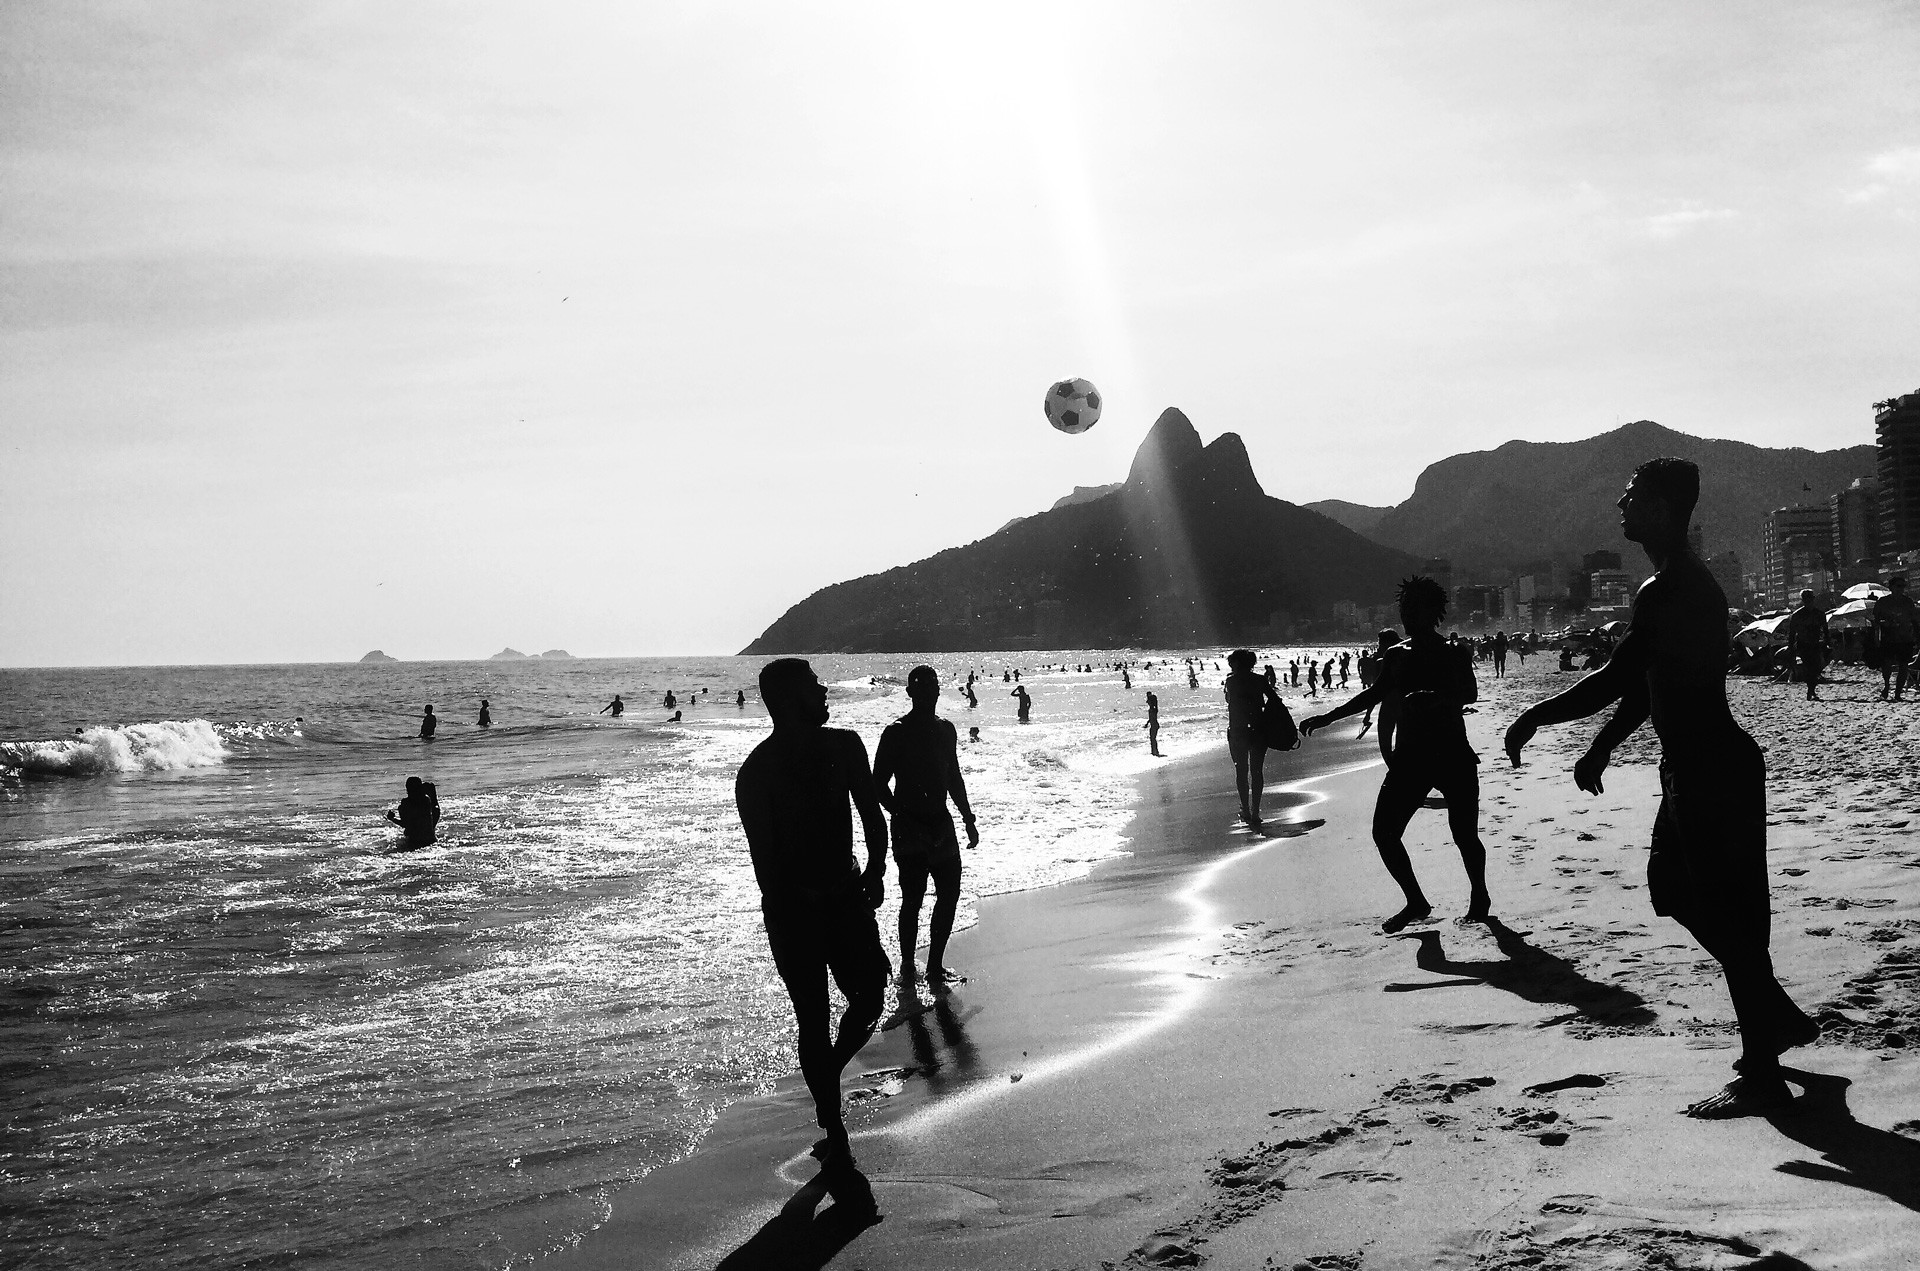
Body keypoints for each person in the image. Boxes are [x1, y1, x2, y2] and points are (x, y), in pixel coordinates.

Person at [1504, 458, 1816, 1119]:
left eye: (1634, 494)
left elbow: (1618, 677)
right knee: (1672, 890)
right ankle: (1776, 1013)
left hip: (1713, 771)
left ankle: (1762, 1069)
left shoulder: (1676, 588)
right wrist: (1602, 745)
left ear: (1666, 508)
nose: (1621, 500)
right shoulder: (1668, 585)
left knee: (1733, 917)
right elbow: (1650, 687)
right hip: (1691, 769)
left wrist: (1536, 715)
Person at [735, 658, 890, 1186]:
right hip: (792, 911)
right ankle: (832, 1123)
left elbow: (871, 814)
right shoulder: (757, 772)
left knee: (871, 996)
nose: (824, 690)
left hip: (848, 896)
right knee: (812, 1015)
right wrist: (806, 902)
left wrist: (874, 868)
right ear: (786, 700)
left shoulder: (845, 746)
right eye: (813, 686)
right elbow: (766, 867)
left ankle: (829, 1071)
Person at [1299, 578, 1490, 932]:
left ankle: (1480, 896)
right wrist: (1329, 717)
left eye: (1414, 609)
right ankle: (1416, 901)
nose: (1407, 616)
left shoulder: (1454, 653)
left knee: (1465, 836)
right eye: (1404, 610)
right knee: (1384, 833)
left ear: (1434, 612)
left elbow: (1470, 693)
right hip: (1411, 758)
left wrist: (1438, 698)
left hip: (1453, 754)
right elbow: (1373, 695)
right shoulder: (1397, 655)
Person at [873, 666, 980, 989]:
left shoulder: (945, 730)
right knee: (913, 897)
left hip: (941, 823)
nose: (927, 693)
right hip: (909, 829)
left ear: (937, 691)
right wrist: (901, 816)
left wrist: (968, 818)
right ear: (910, 693)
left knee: (949, 894)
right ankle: (908, 964)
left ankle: (934, 966)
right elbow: (878, 783)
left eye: (932, 687)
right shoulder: (896, 732)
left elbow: (953, 778)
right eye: (920, 688)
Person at [1223, 649, 1281, 828]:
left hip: (1238, 731)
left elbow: (1229, 700)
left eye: (1232, 662)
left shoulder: (1231, 681)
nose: (1230, 665)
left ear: (1238, 663)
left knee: (1241, 770)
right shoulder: (1260, 680)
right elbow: (1274, 699)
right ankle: (1255, 811)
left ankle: (1245, 810)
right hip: (1258, 729)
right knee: (1257, 771)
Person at [1872, 576, 1919, 701]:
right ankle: (1887, 686)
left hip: (1905, 638)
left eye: (1903, 586)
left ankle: (1898, 693)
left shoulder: (1908, 602)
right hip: (1888, 638)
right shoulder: (1883, 602)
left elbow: (1914, 620)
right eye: (1898, 586)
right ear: (1891, 587)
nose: (1901, 589)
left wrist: (1917, 637)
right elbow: (1876, 621)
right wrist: (1883, 625)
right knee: (1886, 666)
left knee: (1904, 666)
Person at [1786, 589, 1828, 702]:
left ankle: (1811, 690)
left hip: (1815, 645)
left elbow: (1825, 630)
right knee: (1810, 669)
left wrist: (1826, 644)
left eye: (1810, 599)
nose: (1809, 601)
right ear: (1804, 600)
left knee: (1816, 669)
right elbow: (1792, 634)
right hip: (1803, 645)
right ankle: (1811, 691)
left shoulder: (1819, 614)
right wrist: (1791, 649)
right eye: (1807, 599)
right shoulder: (1797, 615)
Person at [385, 776, 441, 848]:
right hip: (430, 840)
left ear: (407, 789)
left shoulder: (405, 804)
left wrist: (392, 819)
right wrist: (433, 794)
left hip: (414, 843)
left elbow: (405, 824)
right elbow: (436, 812)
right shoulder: (426, 800)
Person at [1145, 690, 1162, 757]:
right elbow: (1151, 718)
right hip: (1154, 725)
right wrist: (1147, 723)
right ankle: (1154, 751)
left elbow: (1152, 718)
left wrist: (1148, 723)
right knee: (1152, 738)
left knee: (1153, 738)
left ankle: (1155, 751)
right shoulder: (1154, 709)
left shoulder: (1152, 709)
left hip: (1154, 725)